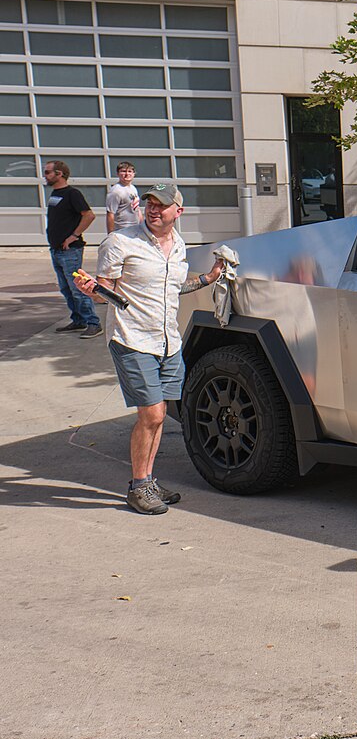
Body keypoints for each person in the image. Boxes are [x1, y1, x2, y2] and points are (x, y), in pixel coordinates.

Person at [73, 183, 224, 516]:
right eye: (150, 204)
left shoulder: (179, 245)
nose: (154, 210)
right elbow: (105, 292)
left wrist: (209, 278)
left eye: (162, 205)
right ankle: (138, 486)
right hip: (132, 339)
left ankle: (148, 481)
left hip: (168, 340)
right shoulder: (120, 241)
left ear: (178, 212)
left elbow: (173, 286)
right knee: (152, 414)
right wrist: (90, 290)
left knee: (158, 418)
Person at [44, 160, 102, 338]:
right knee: (65, 289)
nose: (45, 176)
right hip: (56, 250)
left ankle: (94, 323)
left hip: (70, 251)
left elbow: (89, 215)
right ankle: (78, 320)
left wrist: (74, 236)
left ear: (59, 174)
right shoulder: (55, 194)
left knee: (78, 289)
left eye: (47, 172)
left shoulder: (72, 194)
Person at [105, 161, 140, 233]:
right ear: (118, 174)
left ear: (134, 174)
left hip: (136, 228)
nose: (127, 174)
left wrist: (142, 225)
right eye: (123, 171)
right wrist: (111, 234)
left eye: (130, 171)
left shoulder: (133, 188)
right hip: (122, 230)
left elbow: (137, 209)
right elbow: (110, 214)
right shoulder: (115, 191)